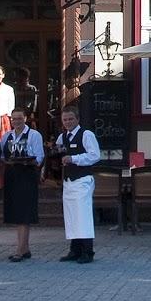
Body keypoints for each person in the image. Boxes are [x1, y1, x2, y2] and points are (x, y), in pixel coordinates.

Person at [55, 105, 100, 264]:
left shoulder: (86, 135)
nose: (67, 122)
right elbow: (59, 155)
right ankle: (74, 250)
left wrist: (74, 159)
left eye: (70, 119)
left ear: (77, 119)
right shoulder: (62, 137)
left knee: (83, 216)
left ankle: (88, 251)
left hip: (82, 180)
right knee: (72, 216)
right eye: (65, 119)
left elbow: (95, 156)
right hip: (68, 181)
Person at [1, 107, 44, 261]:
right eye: (14, 119)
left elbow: (39, 158)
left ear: (25, 118)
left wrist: (27, 161)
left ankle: (20, 250)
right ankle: (24, 249)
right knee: (16, 213)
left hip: (27, 176)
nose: (16, 121)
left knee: (24, 213)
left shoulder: (34, 135)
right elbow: (2, 155)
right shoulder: (7, 136)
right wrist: (8, 160)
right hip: (12, 176)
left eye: (19, 118)